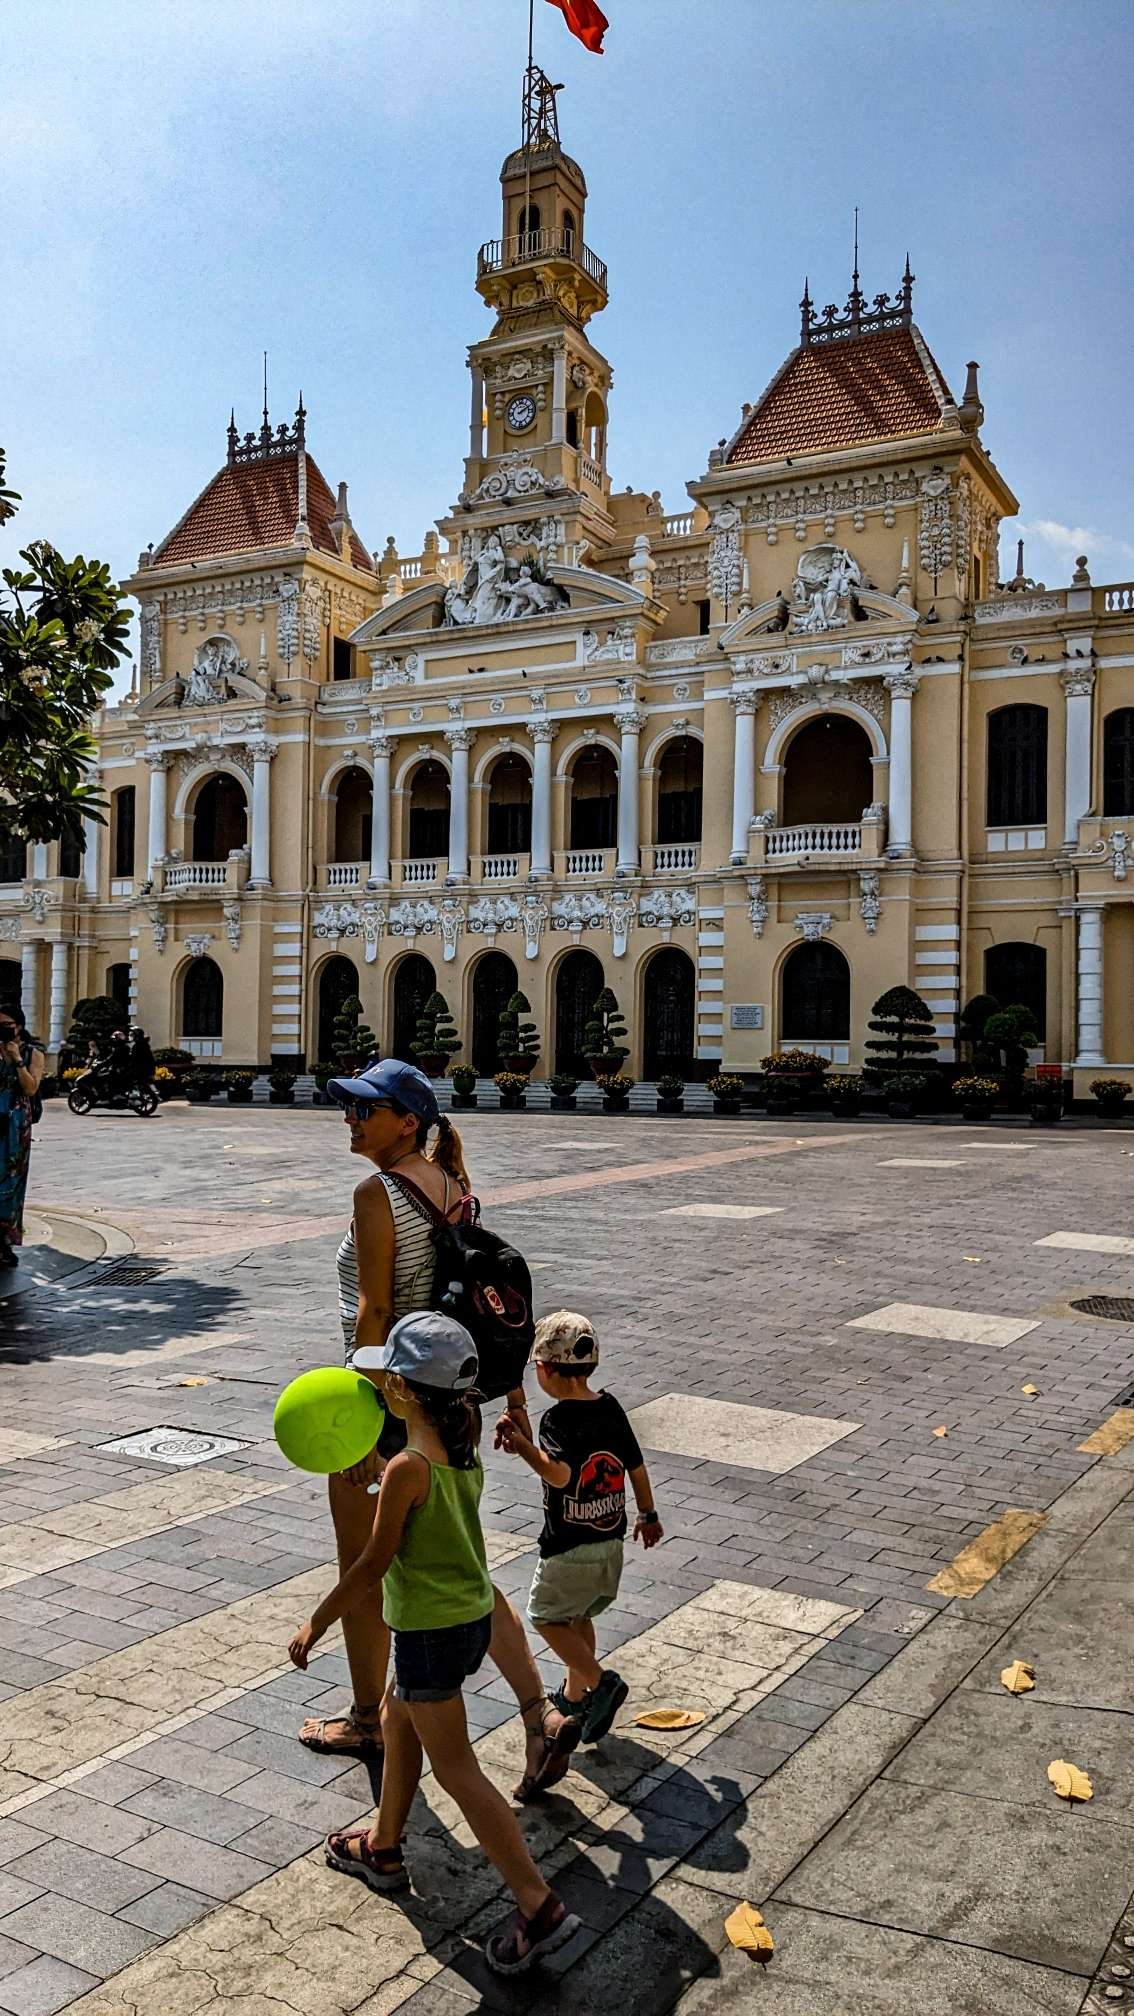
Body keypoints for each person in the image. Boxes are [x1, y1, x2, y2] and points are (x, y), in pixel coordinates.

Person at [298, 1056, 578, 1800]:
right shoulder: (454, 1188)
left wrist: (358, 1427)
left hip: (391, 1405)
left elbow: (375, 1313)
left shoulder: (378, 1192)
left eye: (366, 1109)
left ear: (408, 1122)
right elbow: (474, 1296)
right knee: (456, 1562)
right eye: (350, 1107)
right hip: (450, 1406)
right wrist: (511, 1394)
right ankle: (537, 1710)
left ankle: (365, 1716)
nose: (351, 1119)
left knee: (363, 1560)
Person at [288, 1310, 581, 1974]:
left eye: (386, 1376)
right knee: (397, 1720)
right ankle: (384, 1846)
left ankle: (537, 1903)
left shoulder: (405, 1471)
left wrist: (316, 1622)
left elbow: (369, 1566)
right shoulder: (458, 1445)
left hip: (427, 1634)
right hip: (471, 1618)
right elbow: (419, 1491)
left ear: (400, 1391)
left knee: (458, 1773)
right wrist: (384, 1470)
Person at [497, 1310, 663, 1742]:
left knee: (545, 1617)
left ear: (548, 1369)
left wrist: (522, 1447)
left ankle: (599, 1680)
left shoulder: (558, 1420)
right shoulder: (609, 1407)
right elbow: (636, 1466)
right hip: (609, 1541)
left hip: (567, 1546)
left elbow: (558, 1475)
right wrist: (648, 1514)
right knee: (578, 1616)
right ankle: (575, 1695)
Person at [0, 1009, 46, 1269]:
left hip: (14, 1123)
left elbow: (30, 1088)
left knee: (11, 1178)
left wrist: (16, 1058)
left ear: (19, 1025)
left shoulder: (32, 1052)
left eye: (7, 1025)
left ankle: (5, 1239)